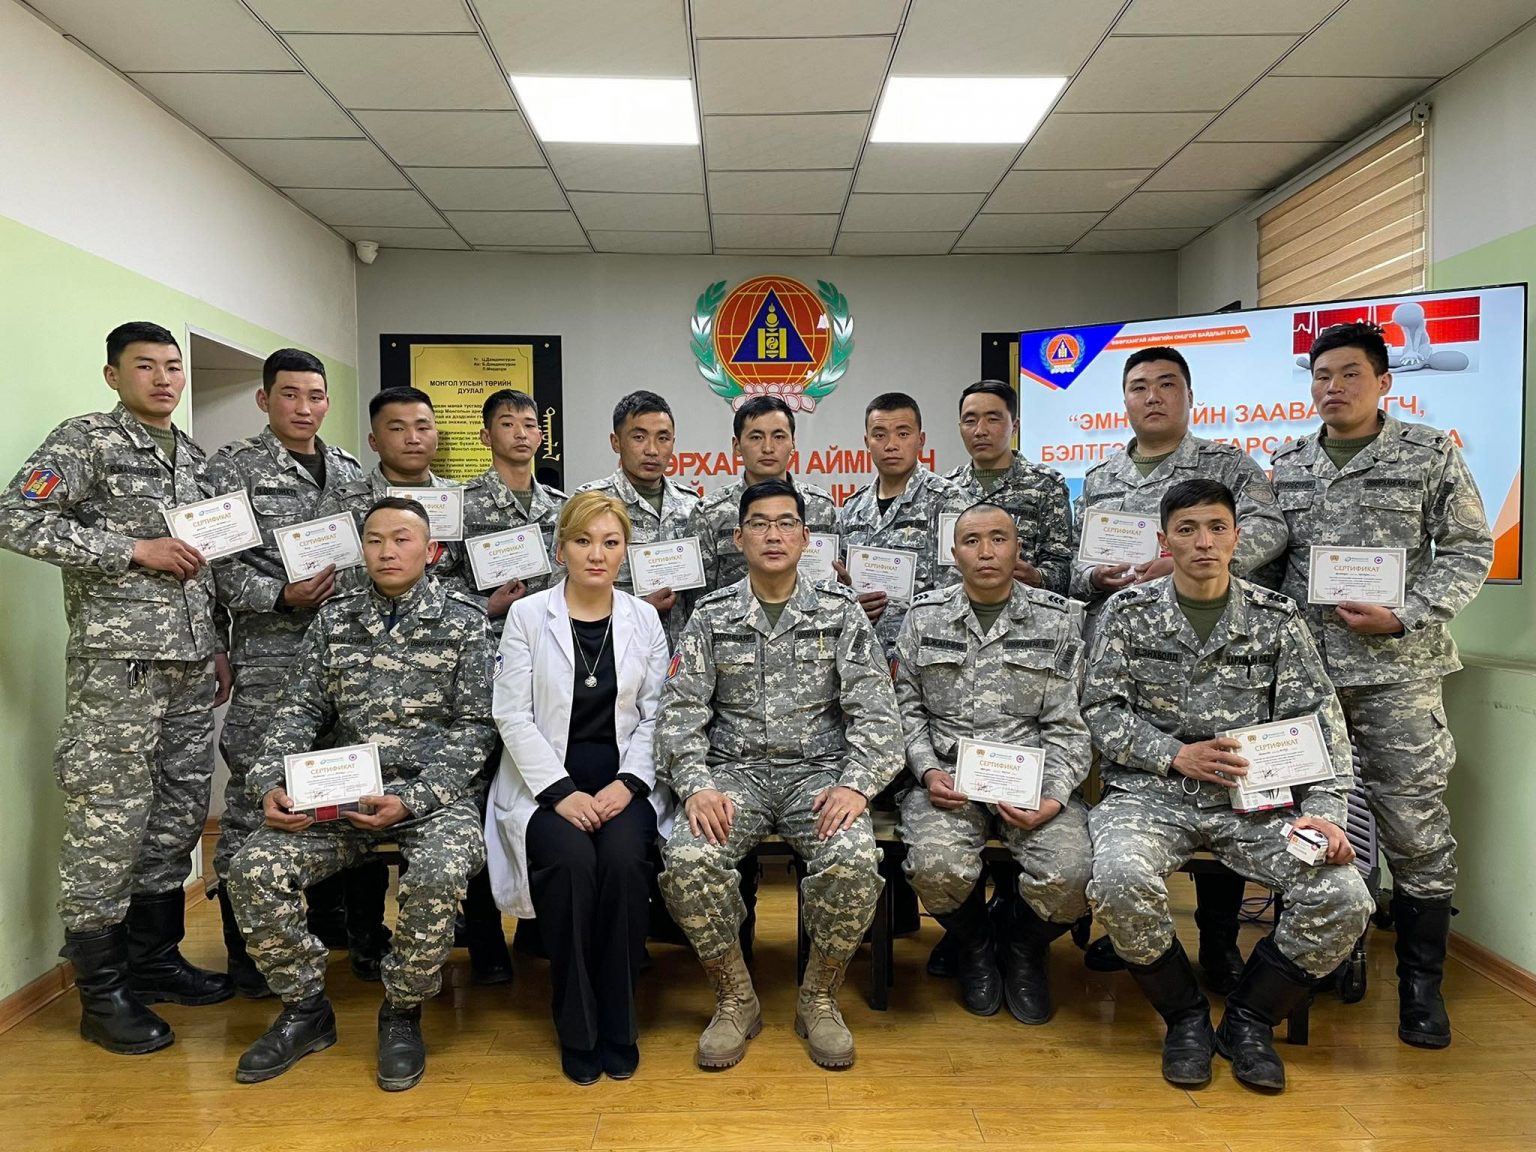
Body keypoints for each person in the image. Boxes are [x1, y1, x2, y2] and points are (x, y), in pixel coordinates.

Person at [1082, 479, 1373, 1091]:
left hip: (1256, 804)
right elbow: (1099, 710)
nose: (1204, 542)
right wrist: (1174, 754)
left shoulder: (1276, 618)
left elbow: (1320, 725)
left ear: (1237, 537)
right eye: (1187, 530)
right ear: (1164, 541)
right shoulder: (1126, 613)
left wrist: (1325, 813)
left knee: (1344, 896)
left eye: (1217, 528)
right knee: (1117, 879)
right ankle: (1185, 1017)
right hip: (1150, 795)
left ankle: (1250, 1020)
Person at [0, 321, 233, 1054]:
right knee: (108, 824)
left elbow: (210, 561)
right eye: (145, 366)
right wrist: (131, 549)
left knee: (177, 812)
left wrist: (218, 643)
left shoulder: (193, 457)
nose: (164, 380)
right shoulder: (87, 442)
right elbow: (15, 517)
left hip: (190, 667)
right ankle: (101, 996)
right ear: (113, 375)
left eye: (173, 367)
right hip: (119, 668)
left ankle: (155, 961)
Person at [1269, 321, 1492, 1050]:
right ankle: (1329, 952)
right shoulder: (1288, 463)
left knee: (1413, 829)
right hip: (1309, 680)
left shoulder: (1429, 453)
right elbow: (1270, 563)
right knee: (1311, 819)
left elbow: (1468, 550)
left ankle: (1422, 989)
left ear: (1384, 382)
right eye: (1322, 376)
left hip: (1398, 675)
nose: (1333, 388)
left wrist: (1407, 614)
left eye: (1350, 374)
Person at [228, 498, 494, 1092]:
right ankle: (304, 1008)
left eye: (402, 539)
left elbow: (478, 726)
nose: (387, 551)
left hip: (431, 797)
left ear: (432, 551)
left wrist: (417, 798)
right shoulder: (334, 620)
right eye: (375, 540)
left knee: (439, 872)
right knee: (251, 868)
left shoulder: (464, 620)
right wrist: (272, 783)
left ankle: (402, 1010)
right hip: (343, 794)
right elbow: (299, 710)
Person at [656, 479, 902, 1071]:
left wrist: (857, 783)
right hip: (733, 775)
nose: (773, 535)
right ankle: (735, 997)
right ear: (738, 538)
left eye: (786, 523)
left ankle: (818, 998)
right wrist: (696, 784)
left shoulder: (839, 612)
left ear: (805, 537)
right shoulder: (712, 615)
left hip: (819, 776)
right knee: (688, 861)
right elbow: (679, 715)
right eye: (760, 524)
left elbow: (878, 714)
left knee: (853, 862)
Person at [1071, 346, 1289, 992]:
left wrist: (1189, 563)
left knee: (1221, 781)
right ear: (1125, 399)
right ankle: (1130, 930)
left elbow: (1267, 532)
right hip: (1127, 654)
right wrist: (1097, 577)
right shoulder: (1101, 476)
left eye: (1167, 384)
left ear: (1189, 397)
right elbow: (1077, 564)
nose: (1153, 396)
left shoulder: (1227, 465)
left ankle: (1219, 941)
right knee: (1126, 790)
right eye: (1139, 386)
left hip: (1215, 653)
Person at [485, 491, 673, 1084]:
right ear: (560, 547)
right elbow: (511, 715)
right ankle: (578, 1027)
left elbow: (656, 715)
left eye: (611, 543)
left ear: (625, 551)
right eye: (583, 541)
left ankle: (619, 1020)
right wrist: (561, 792)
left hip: (622, 783)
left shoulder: (644, 619)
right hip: (546, 785)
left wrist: (629, 783)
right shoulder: (527, 616)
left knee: (623, 865)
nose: (597, 554)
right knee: (569, 867)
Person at [204, 348, 365, 998]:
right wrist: (278, 595)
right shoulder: (233, 468)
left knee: (331, 789)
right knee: (257, 791)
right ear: (264, 399)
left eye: (315, 396)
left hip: (342, 658)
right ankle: (246, 951)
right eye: (290, 395)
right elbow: (211, 564)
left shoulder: (349, 470)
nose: (304, 408)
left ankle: (319, 927)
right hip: (272, 656)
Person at [894, 503, 1092, 1023]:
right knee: (933, 867)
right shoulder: (923, 617)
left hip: (1034, 781)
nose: (986, 551)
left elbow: (1069, 725)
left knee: (1075, 874)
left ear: (1018, 548)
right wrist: (928, 772)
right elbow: (906, 711)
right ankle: (976, 945)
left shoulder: (1056, 620)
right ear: (953, 553)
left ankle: (1023, 947)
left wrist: (1053, 796)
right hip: (947, 780)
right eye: (972, 540)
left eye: (999, 539)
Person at [450, 387, 567, 984]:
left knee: (539, 792)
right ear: (485, 435)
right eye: (507, 423)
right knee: (477, 798)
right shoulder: (460, 506)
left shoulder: (563, 508)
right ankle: (483, 937)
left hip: (547, 675)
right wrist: (485, 605)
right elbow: (432, 585)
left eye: (529, 424)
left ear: (541, 436)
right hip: (476, 667)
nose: (520, 433)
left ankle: (538, 925)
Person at [838, 392, 967, 655]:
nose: (891, 445)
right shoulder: (852, 508)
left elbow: (957, 590)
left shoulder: (948, 502)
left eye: (903, 434)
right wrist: (851, 603)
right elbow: (840, 586)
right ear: (867, 442)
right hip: (861, 656)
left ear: (921, 440)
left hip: (925, 654)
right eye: (880, 435)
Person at [684, 395, 841, 605]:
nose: (768, 448)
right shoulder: (710, 513)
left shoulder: (821, 506)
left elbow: (834, 580)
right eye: (756, 437)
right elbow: (697, 599)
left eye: (779, 436)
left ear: (793, 443)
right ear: (737, 445)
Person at [574, 390, 700, 650]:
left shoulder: (691, 504)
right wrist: (639, 609)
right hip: (610, 650)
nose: (652, 450)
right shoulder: (589, 502)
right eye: (639, 437)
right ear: (616, 442)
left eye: (663, 438)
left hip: (681, 657)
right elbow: (564, 589)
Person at [316, 386, 460, 595]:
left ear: (436, 437)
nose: (413, 438)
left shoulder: (463, 499)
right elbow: (328, 582)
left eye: (423, 428)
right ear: (373, 441)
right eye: (397, 429)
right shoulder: (341, 504)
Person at [945, 380, 1073, 596]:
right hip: (954, 611)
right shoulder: (945, 489)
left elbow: (1063, 567)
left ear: (1015, 426)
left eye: (992, 419)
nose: (980, 431)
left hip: (1022, 609)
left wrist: (1038, 577)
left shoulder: (1046, 486)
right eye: (970, 421)